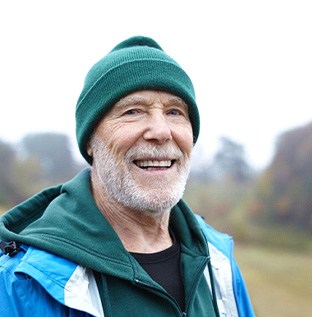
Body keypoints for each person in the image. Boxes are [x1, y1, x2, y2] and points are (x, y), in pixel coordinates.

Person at [0, 36, 255, 317]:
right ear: (90, 142)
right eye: (133, 111)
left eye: (174, 112)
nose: (161, 131)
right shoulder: (21, 281)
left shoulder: (218, 263)